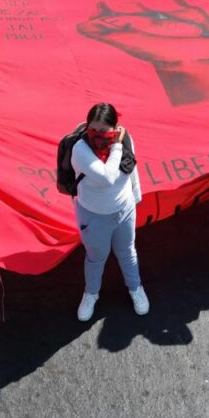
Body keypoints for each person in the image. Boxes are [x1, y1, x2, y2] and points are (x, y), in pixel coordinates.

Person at [71, 103, 148, 320]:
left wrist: (136, 193)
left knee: (128, 252)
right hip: (93, 216)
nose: (97, 136)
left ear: (114, 128)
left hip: (124, 210)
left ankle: (135, 288)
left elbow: (130, 165)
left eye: (103, 131)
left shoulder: (125, 139)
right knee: (96, 258)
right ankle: (91, 294)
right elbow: (106, 177)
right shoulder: (80, 149)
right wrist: (115, 146)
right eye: (93, 130)